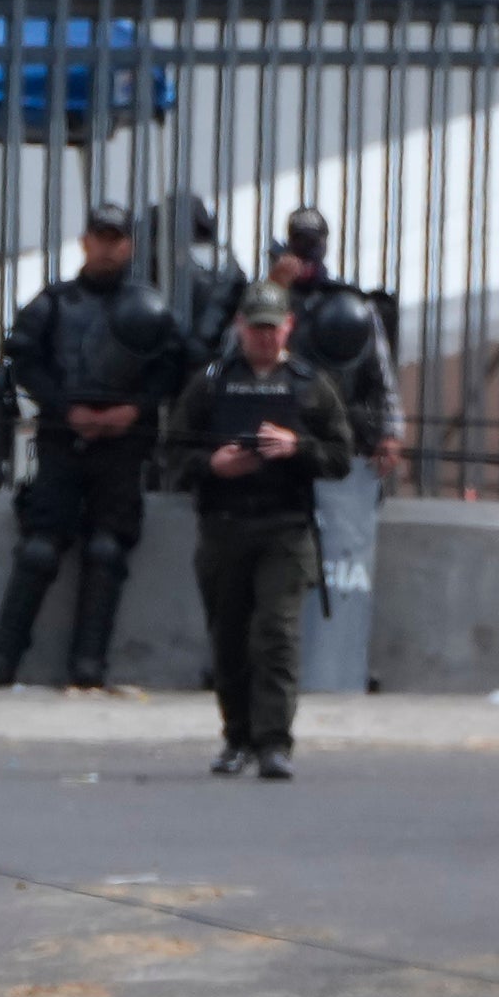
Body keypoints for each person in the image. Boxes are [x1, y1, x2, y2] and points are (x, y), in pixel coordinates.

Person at [0, 204, 192, 693]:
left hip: (122, 446)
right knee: (39, 549)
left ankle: (88, 664)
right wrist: (63, 409)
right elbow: (24, 360)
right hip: (61, 440)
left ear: (129, 246)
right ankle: (1, 659)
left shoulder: (149, 307)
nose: (109, 246)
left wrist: (134, 411)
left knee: (106, 548)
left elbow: (174, 366)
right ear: (85, 241)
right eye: (101, 236)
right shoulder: (53, 303)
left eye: (118, 238)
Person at [161, 285, 357, 778]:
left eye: (273, 328)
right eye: (256, 328)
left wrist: (297, 447)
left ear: (288, 327)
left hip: (285, 528)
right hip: (225, 526)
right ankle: (237, 738)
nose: (265, 337)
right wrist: (213, 464)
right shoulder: (211, 383)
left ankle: (274, 742)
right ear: (239, 327)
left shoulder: (311, 384)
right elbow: (172, 453)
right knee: (229, 637)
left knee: (276, 633)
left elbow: (339, 457)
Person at [268, 211, 405, 473]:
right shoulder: (271, 298)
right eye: (300, 241)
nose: (307, 251)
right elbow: (235, 349)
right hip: (281, 431)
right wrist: (274, 287)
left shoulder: (350, 303)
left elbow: (382, 373)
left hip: (341, 435)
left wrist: (392, 432)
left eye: (313, 242)